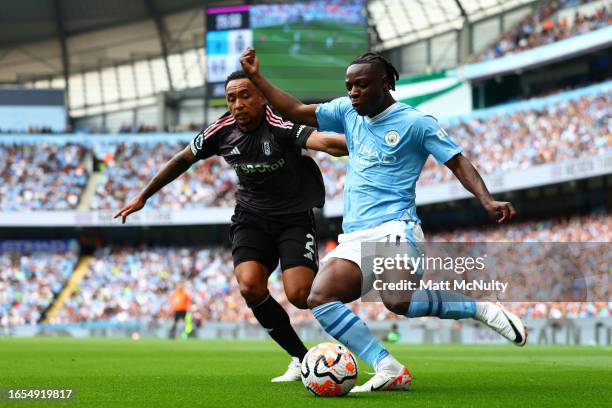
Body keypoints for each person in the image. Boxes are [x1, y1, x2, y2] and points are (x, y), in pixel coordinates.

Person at [240, 48, 527, 392]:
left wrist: (487, 199)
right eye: (349, 86)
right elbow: (296, 110)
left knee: (398, 300)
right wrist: (256, 76)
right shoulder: (347, 112)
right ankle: (387, 366)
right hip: (356, 236)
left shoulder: (416, 123)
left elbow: (457, 162)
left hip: (396, 226)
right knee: (320, 298)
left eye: (361, 85)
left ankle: (480, 309)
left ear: (386, 83)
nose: (353, 93)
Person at [114, 70, 348, 382]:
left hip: (293, 217)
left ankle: (349, 289)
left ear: (262, 97)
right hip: (251, 217)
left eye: (245, 95)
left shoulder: (278, 124)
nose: (237, 103)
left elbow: (321, 141)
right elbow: (181, 159)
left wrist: (359, 144)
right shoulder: (220, 131)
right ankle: (301, 358)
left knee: (300, 295)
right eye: (231, 98)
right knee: (250, 286)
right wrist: (144, 196)